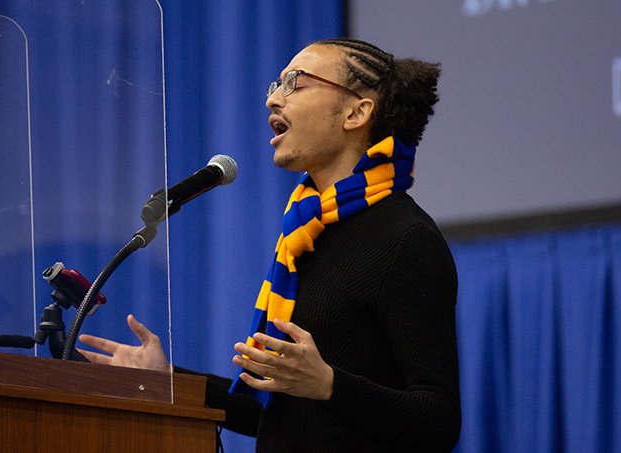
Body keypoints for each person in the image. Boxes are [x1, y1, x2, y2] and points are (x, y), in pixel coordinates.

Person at [79, 38, 461, 452]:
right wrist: (166, 379)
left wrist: (330, 385)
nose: (274, 100)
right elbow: (275, 413)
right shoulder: (305, 232)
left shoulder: (405, 239)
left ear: (357, 112)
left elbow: (439, 421)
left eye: (295, 82)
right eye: (275, 85)